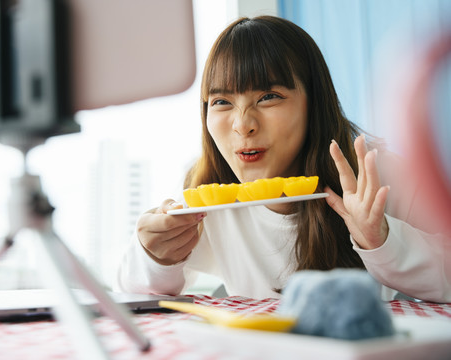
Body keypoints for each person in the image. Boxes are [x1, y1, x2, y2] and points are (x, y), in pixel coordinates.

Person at [115, 16, 451, 302]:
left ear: (314, 103)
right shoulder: (206, 192)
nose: (243, 125)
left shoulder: (378, 177)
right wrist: (153, 256)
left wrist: (381, 239)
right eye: (221, 102)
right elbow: (139, 296)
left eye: (269, 97)